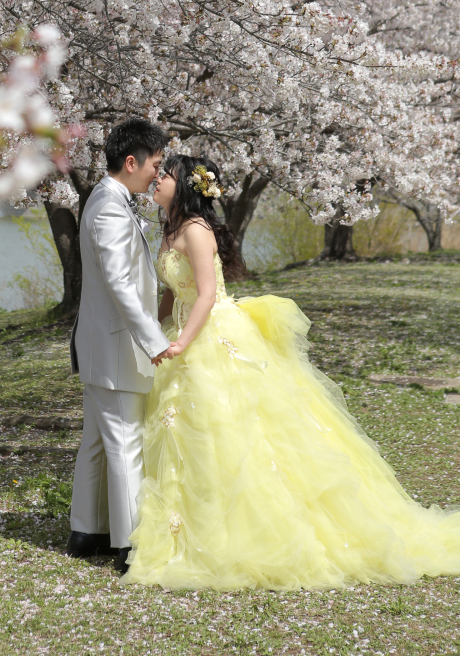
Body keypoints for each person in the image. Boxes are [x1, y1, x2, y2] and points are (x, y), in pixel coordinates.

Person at [124, 153, 460, 590]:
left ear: (185, 184)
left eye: (165, 175)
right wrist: (154, 330)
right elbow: (174, 293)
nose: (157, 180)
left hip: (213, 334)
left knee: (236, 426)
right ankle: (189, 527)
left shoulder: (196, 229)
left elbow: (206, 294)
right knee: (190, 429)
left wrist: (183, 342)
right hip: (182, 334)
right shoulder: (170, 230)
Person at [67, 118, 172, 575]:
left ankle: (86, 532)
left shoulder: (103, 198)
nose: (158, 173)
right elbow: (119, 283)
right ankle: (130, 546)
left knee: (96, 443)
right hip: (116, 349)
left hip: (101, 347)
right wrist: (154, 340)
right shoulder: (110, 207)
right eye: (155, 164)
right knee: (125, 445)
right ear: (131, 162)